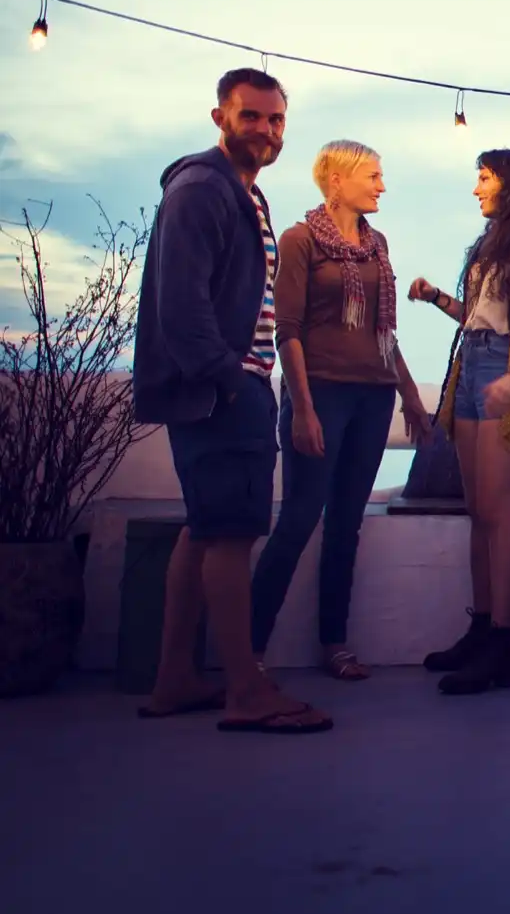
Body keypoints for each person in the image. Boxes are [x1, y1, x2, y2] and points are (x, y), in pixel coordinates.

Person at [130, 67, 331, 733]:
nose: (267, 132)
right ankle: (245, 688)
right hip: (223, 389)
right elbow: (181, 305)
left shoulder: (248, 195)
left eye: (276, 120)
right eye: (252, 117)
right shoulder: (200, 190)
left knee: (205, 527)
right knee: (232, 534)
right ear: (219, 116)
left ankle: (175, 679)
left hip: (227, 384)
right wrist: (230, 380)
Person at [249, 141, 435, 680]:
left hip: (373, 396)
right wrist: (302, 408)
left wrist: (411, 397)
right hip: (322, 393)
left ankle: (334, 643)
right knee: (301, 517)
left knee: (347, 524)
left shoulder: (377, 244)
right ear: (336, 180)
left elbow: (384, 332)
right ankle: (251, 653)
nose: (381, 186)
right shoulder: (300, 241)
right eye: (373, 177)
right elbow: (288, 331)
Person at [407, 149, 510, 696]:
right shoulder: (489, 244)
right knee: (478, 512)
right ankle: (481, 630)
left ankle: (504, 644)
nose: (476, 189)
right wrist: (435, 298)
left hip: (508, 366)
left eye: (484, 178)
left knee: (500, 513)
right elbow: (480, 317)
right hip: (475, 362)